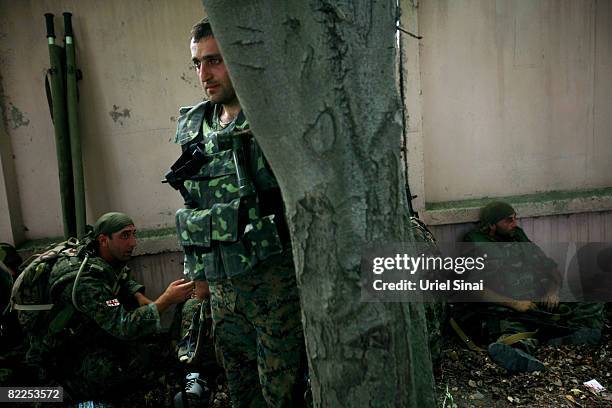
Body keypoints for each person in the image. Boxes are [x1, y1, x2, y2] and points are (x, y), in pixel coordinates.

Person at [167, 18, 308, 407]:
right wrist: (197, 278)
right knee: (242, 390)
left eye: (214, 61)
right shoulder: (197, 126)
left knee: (283, 393)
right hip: (224, 291)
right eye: (197, 64)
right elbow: (193, 204)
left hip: (277, 287)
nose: (203, 74)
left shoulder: (274, 122)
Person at [40, 212, 193, 400]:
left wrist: (136, 293)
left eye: (133, 234)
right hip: (64, 353)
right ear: (104, 240)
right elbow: (124, 326)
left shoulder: (98, 255)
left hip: (87, 333)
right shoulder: (85, 281)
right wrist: (166, 300)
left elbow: (118, 275)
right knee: (138, 360)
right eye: (125, 236)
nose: (133, 243)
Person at [460, 201, 604, 372]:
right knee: (514, 334)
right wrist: (515, 304)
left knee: (593, 300)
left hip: (539, 301)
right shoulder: (475, 244)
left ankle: (568, 337)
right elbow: (473, 289)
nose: (515, 224)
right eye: (508, 220)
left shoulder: (518, 236)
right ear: (492, 225)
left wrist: (552, 292)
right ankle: (520, 352)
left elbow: (553, 271)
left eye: (515, 219)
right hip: (507, 310)